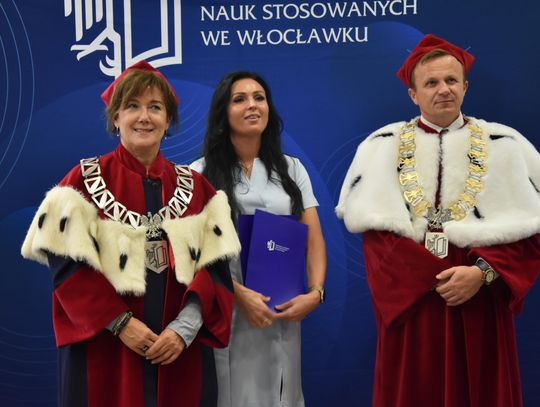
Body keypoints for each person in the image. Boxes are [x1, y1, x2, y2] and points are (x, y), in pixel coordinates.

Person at [21, 60, 241, 407]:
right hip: (105, 351)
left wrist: (183, 330)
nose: (144, 117)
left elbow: (215, 273)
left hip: (179, 354)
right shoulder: (81, 182)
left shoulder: (198, 189)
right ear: (115, 117)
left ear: (168, 120)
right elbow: (68, 270)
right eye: (132, 106)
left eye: (155, 107)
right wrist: (121, 323)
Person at [336, 34, 540, 407]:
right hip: (413, 305)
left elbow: (529, 236)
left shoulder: (506, 144)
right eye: (431, 82)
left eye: (451, 80)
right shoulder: (380, 146)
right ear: (413, 94)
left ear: (465, 86)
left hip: (480, 298)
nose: (443, 89)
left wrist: (482, 273)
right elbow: (377, 240)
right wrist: (433, 277)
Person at [191, 71, 327, 407]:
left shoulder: (292, 170)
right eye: (240, 99)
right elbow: (193, 254)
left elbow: (313, 239)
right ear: (223, 112)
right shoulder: (199, 173)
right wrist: (238, 294)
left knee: (283, 393)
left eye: (259, 98)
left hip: (282, 310)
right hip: (228, 309)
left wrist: (316, 293)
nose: (252, 105)